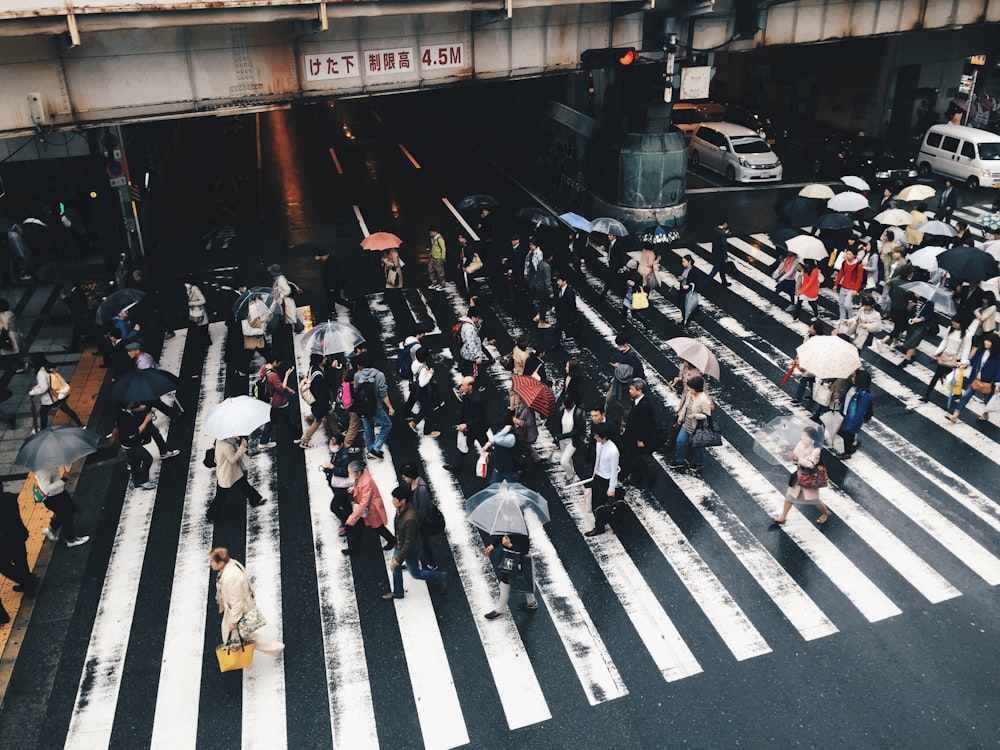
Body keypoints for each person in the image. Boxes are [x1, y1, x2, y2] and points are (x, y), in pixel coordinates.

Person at [210, 547, 284, 656]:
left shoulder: (231, 578)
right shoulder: (231, 563)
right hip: (240, 605)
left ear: (221, 563)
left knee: (240, 635)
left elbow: (236, 602)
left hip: (238, 610)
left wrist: (234, 622)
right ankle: (239, 652)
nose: (210, 563)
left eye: (212, 561)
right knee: (240, 635)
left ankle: (274, 648)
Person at [381, 486, 448, 600]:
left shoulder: (409, 518)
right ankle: (398, 592)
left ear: (402, 501)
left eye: (395, 499)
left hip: (410, 550)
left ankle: (440, 577)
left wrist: (399, 558)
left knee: (416, 574)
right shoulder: (401, 510)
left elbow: (410, 542)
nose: (392, 501)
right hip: (400, 544)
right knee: (395, 568)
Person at [769, 426, 832, 525]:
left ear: (811, 439)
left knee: (814, 500)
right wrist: (794, 457)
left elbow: (810, 464)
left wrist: (798, 459)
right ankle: (783, 517)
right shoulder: (800, 444)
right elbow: (796, 458)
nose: (802, 438)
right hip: (799, 477)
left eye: (804, 436)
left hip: (809, 478)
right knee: (789, 497)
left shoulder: (816, 450)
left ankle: (826, 513)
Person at [115, 402, 179, 489]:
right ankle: (142, 480)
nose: (133, 402)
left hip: (127, 444)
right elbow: (136, 432)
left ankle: (136, 481)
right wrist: (147, 420)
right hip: (132, 445)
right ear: (126, 405)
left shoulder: (121, 412)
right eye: (130, 402)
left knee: (135, 461)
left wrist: (137, 409)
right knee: (147, 458)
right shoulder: (125, 418)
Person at [207, 436, 266, 521]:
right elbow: (232, 459)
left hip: (232, 471)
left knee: (244, 485)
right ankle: (211, 515)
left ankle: (255, 500)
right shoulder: (226, 445)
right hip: (226, 474)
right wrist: (242, 446)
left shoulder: (220, 440)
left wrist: (234, 440)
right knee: (221, 496)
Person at [343, 462, 396, 555]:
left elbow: (364, 503)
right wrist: (354, 488)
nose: (350, 475)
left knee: (376, 527)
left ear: (358, 473)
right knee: (367, 527)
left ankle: (391, 540)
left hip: (369, 509)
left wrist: (351, 518)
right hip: (366, 509)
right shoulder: (362, 477)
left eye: (351, 473)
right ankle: (391, 540)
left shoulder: (366, 482)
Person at [483, 532, 538, 619]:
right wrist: (493, 545)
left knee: (508, 582)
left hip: (519, 559)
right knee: (522, 581)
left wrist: (510, 545)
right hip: (509, 557)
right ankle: (532, 602)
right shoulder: (507, 524)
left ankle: (499, 610)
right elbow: (500, 535)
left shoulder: (521, 531)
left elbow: (525, 549)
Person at [34, 466, 90, 547]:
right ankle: (70, 540)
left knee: (70, 511)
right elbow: (46, 489)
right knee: (67, 517)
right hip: (55, 499)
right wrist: (63, 479)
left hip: (60, 494)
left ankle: (51, 529)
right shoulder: (43, 471)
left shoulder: (49, 465)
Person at [668, 375, 713, 475]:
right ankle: (679, 461)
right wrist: (680, 418)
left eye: (691, 388)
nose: (689, 389)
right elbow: (685, 406)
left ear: (696, 388)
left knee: (697, 446)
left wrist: (696, 415)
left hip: (697, 427)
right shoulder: (690, 394)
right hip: (687, 424)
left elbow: (706, 415)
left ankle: (699, 464)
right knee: (680, 441)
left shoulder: (704, 400)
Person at [948, 333, 999, 423]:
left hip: (988, 382)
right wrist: (964, 363)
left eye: (989, 341)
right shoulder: (981, 350)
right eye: (985, 340)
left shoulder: (997, 356)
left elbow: (999, 370)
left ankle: (986, 413)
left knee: (987, 400)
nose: (986, 343)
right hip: (975, 379)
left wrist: (998, 384)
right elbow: (973, 359)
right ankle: (955, 415)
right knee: (965, 396)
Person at [126, 342, 183, 420]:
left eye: (131, 351)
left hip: (150, 384)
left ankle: (173, 414)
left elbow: (144, 377)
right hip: (150, 383)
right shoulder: (143, 357)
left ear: (137, 351)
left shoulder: (143, 363)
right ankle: (174, 414)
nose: (128, 353)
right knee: (154, 402)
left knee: (150, 403)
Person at [352, 352, 393, 459]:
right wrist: (390, 407)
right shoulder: (379, 375)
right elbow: (383, 393)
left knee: (368, 429)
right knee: (387, 425)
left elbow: (356, 390)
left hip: (362, 408)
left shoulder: (357, 375)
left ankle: (370, 451)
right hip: (376, 407)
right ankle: (375, 448)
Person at [399, 464, 440, 571]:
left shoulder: (422, 490)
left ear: (411, 475)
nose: (403, 479)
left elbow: (423, 511)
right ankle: (413, 561)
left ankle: (432, 563)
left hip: (420, 524)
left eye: (404, 477)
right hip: (414, 520)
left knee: (423, 544)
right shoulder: (412, 483)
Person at [444, 376, 487, 473]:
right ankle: (455, 465)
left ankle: (497, 462)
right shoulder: (468, 394)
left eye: (463, 385)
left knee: (485, 446)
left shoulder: (477, 400)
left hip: (477, 428)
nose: (461, 387)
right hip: (471, 427)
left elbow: (478, 418)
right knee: (464, 446)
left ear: (470, 387)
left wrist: (466, 425)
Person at [620, 378, 657, 489]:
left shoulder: (645, 405)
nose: (629, 391)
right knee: (631, 457)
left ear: (639, 390)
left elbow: (647, 424)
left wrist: (641, 439)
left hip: (636, 437)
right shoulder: (637, 401)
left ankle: (651, 473)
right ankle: (636, 479)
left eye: (631, 389)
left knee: (635, 459)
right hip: (631, 435)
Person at [584, 423, 620, 537]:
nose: (595, 437)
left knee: (599, 505)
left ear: (604, 437)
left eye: (597, 436)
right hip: (597, 476)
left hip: (606, 479)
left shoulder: (613, 451)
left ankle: (600, 527)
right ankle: (602, 523)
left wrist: (611, 488)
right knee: (594, 502)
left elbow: (614, 471)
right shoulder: (599, 444)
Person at [0, 491, 39, 596]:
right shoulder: (10, 497)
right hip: (19, 535)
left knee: (3, 566)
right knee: (21, 561)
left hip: (6, 542)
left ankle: (28, 580)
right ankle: (28, 586)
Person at [257, 355, 300, 449]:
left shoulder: (264, 368)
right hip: (279, 401)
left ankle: (263, 442)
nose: (280, 364)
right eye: (279, 362)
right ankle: (297, 437)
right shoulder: (273, 375)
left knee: (271, 421)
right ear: (275, 361)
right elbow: (281, 388)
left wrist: (289, 389)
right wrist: (287, 375)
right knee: (289, 420)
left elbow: (277, 385)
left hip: (272, 400)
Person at [27, 357, 83, 429]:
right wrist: (35, 389)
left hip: (50, 398)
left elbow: (44, 387)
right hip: (57, 393)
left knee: (43, 414)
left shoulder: (40, 373)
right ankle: (80, 424)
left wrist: (32, 392)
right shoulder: (47, 368)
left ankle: (43, 430)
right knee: (67, 410)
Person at [835, 369, 874, 459]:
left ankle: (847, 453)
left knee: (846, 434)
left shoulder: (864, 395)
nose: (852, 378)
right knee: (846, 434)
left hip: (852, 419)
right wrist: (840, 399)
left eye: (854, 377)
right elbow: (846, 394)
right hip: (846, 414)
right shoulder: (852, 387)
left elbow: (860, 411)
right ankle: (853, 443)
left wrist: (853, 423)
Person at [300, 353, 332, 448]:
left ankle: (309, 418)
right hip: (318, 402)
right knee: (318, 420)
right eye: (324, 358)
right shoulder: (318, 376)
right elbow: (321, 394)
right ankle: (305, 441)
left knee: (320, 415)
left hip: (314, 400)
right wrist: (327, 406)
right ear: (319, 361)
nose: (326, 359)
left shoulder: (312, 368)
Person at [550, 397, 585, 483]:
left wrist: (561, 436)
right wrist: (556, 441)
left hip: (572, 441)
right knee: (568, 459)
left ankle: (570, 475)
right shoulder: (561, 411)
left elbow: (577, 431)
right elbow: (557, 426)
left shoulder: (578, 413)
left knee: (564, 461)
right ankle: (571, 471)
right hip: (562, 441)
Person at [898, 291, 936, 367]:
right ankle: (912, 356)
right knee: (910, 338)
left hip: (921, 325)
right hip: (912, 323)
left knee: (912, 342)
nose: (916, 294)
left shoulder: (929, 303)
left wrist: (921, 319)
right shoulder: (913, 300)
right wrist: (910, 306)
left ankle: (906, 359)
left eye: (918, 293)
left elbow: (929, 315)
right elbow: (909, 311)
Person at [315, 248, 352, 314]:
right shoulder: (330, 260)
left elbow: (333, 275)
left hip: (333, 284)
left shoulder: (331, 262)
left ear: (325, 255)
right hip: (332, 283)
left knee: (334, 298)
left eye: (321, 257)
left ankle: (349, 305)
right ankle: (332, 310)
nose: (321, 259)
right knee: (331, 298)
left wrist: (332, 286)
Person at [833, 248, 864, 321]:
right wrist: (836, 284)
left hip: (851, 288)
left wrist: (856, 290)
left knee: (847, 304)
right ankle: (842, 318)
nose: (847, 255)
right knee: (841, 303)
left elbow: (859, 279)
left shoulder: (859, 266)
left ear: (854, 256)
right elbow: (840, 274)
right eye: (847, 253)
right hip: (844, 286)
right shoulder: (844, 263)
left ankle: (851, 317)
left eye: (850, 254)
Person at [269, 264, 302, 331]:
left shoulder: (280, 279)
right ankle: (298, 327)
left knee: (289, 316)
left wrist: (280, 295)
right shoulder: (279, 278)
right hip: (283, 301)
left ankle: (299, 327)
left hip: (285, 301)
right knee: (288, 316)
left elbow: (287, 290)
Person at [0, 298, 28, 373]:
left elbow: (5, 325)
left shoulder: (3, 315)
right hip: (13, 335)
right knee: (12, 354)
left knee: (8, 353)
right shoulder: (10, 313)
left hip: (7, 336)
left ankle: (21, 366)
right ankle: (21, 366)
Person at [550, 275, 578, 348]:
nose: (557, 282)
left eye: (559, 281)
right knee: (557, 329)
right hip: (560, 314)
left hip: (567, 315)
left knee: (570, 329)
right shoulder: (559, 289)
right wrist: (555, 306)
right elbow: (558, 299)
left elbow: (572, 305)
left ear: (564, 282)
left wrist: (573, 317)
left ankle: (579, 339)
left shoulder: (570, 292)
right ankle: (555, 344)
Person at [704, 217, 731, 288]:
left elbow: (718, 237)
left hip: (715, 253)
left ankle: (724, 282)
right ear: (724, 224)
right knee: (714, 271)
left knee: (722, 270)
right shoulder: (722, 233)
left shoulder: (715, 230)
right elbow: (723, 245)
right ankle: (703, 285)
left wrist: (725, 234)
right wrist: (725, 255)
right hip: (720, 256)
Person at [530, 249, 554, 328]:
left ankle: (538, 316)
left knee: (540, 303)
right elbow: (547, 281)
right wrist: (551, 292)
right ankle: (541, 322)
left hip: (537, 286)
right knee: (544, 304)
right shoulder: (547, 267)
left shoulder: (540, 263)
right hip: (543, 289)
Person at [184, 274, 209, 343]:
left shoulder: (195, 289)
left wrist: (191, 304)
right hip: (193, 311)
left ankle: (205, 340)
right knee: (197, 326)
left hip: (198, 310)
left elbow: (203, 300)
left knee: (201, 325)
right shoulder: (187, 289)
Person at [677, 254, 701, 324]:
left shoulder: (693, 271)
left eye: (684, 261)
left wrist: (688, 286)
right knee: (681, 304)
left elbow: (695, 283)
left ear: (689, 262)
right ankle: (687, 318)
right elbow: (679, 275)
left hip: (687, 291)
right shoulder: (683, 269)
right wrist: (680, 278)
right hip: (682, 289)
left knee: (685, 305)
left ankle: (686, 319)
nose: (683, 263)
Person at [427, 226, 448, 291]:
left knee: (440, 271)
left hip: (439, 257)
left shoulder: (440, 239)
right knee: (430, 269)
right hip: (433, 256)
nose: (430, 234)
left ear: (434, 232)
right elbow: (433, 246)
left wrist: (443, 258)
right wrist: (431, 252)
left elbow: (443, 249)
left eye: (431, 232)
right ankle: (434, 282)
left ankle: (442, 284)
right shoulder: (432, 238)